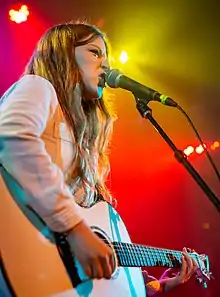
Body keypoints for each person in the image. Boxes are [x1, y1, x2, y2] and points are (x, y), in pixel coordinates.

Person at [0, 22, 197, 296]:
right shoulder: (37, 87)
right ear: (64, 54)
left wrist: (154, 286)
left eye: (106, 56)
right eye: (95, 52)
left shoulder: (81, 138)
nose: (105, 64)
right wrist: (75, 229)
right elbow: (12, 139)